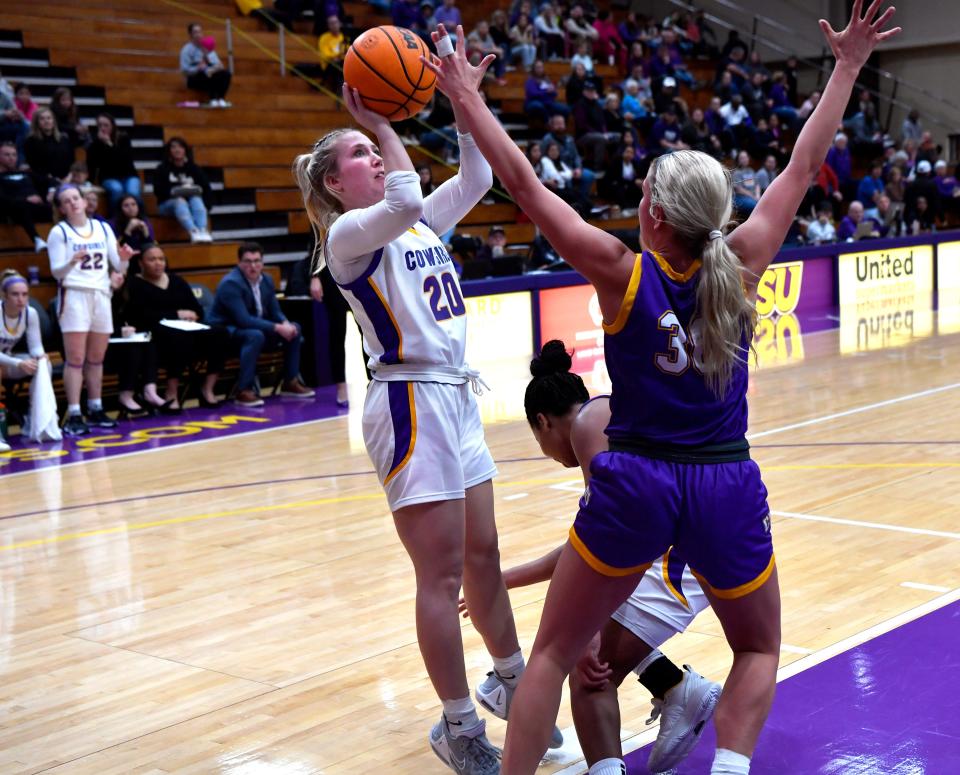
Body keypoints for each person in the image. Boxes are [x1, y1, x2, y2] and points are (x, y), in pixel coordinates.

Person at [425, 5, 900, 771]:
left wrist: (466, 98)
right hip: (724, 479)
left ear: (649, 211)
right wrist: (845, 67)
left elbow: (522, 183)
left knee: (551, 652)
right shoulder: (743, 260)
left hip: (638, 479)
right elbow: (802, 169)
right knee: (758, 645)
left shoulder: (622, 271)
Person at [292, 84, 561, 775]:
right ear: (333, 182)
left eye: (375, 151)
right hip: (409, 403)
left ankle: (507, 677)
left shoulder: (410, 226)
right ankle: (458, 724)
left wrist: (464, 101)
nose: (376, 161)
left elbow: (476, 177)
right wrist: (380, 120)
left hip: (454, 397)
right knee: (439, 576)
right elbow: (408, 196)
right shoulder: (347, 236)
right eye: (360, 155)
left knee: (486, 554)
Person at [460, 340, 721, 774]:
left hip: (680, 555)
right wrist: (503, 578)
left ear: (542, 422)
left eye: (537, 438)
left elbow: (614, 544)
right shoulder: (602, 413)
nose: (545, 451)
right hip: (704, 532)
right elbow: (585, 552)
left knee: (586, 669)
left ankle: (666, 704)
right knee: (584, 634)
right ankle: (675, 686)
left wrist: (590, 629)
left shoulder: (588, 430)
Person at [47, 183, 137, 435]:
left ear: (85, 202)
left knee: (97, 358)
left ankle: (95, 407)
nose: (73, 203)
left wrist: (125, 260)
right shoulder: (59, 232)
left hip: (101, 295)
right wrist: (70, 261)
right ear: (61, 208)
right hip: (74, 295)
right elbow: (56, 272)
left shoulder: (102, 227)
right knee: (75, 359)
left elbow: (117, 265)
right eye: (66, 201)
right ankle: (74, 412)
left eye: (76, 198)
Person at [208, 242, 314, 407]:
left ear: (262, 262)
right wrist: (278, 328)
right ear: (239, 263)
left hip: (255, 331)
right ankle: (243, 390)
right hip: (227, 332)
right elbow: (243, 320)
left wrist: (285, 323)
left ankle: (290, 382)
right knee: (255, 335)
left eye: (257, 261)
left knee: (295, 329)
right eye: (248, 261)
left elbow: (275, 311)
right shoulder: (231, 284)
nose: (253, 266)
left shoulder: (267, 280)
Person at [126, 242, 227, 410]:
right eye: (152, 259)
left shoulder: (176, 281)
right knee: (178, 337)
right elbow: (141, 317)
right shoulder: (134, 284)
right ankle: (171, 391)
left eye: (161, 259)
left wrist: (194, 316)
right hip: (156, 335)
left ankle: (208, 387)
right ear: (140, 263)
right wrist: (176, 315)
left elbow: (196, 309)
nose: (158, 263)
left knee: (220, 333)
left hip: (187, 330)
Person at [0, 270, 59, 443]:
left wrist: (40, 356)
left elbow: (36, 346)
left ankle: (36, 419)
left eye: (25, 294)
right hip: (9, 361)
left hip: (8, 361)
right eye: (15, 294)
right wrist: (18, 363)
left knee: (42, 366)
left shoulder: (30, 313)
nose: (21, 299)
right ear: (4, 295)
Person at [153, 136, 213, 243]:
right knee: (180, 201)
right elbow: (158, 190)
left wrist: (207, 206)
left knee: (196, 199)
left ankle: (202, 230)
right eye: (173, 147)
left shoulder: (194, 168)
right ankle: (193, 231)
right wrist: (176, 191)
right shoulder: (162, 169)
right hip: (167, 205)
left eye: (180, 147)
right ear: (169, 151)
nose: (177, 150)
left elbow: (206, 189)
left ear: (185, 150)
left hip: (191, 204)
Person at [86, 113, 141, 215]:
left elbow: (125, 160)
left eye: (106, 125)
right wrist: (90, 183)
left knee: (132, 192)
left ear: (112, 126)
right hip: (109, 177)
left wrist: (109, 144)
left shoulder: (123, 139)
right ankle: (116, 220)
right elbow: (92, 164)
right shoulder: (95, 144)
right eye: (100, 125)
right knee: (117, 189)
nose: (103, 128)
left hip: (128, 174)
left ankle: (139, 219)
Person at [0, 141, 49, 252]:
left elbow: (48, 181)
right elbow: (2, 199)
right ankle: (37, 239)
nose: (11, 158)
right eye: (7, 155)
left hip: (37, 209)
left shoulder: (26, 173)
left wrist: (52, 191)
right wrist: (25, 200)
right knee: (21, 206)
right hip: (13, 212)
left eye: (14, 154)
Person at [24, 107, 74, 196]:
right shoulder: (31, 141)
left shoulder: (64, 139)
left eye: (49, 118)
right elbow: (35, 167)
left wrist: (68, 177)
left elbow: (72, 161)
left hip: (66, 180)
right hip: (44, 182)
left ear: (53, 120)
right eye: (42, 119)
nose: (46, 121)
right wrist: (53, 180)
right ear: (37, 123)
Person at [180, 23, 232, 107]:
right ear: (190, 35)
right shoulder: (186, 50)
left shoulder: (207, 46)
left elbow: (218, 64)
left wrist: (215, 67)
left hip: (208, 73)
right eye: (195, 32)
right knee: (207, 74)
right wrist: (197, 68)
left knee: (226, 73)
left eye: (200, 32)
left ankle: (221, 99)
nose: (198, 35)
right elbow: (184, 69)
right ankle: (212, 99)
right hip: (194, 78)